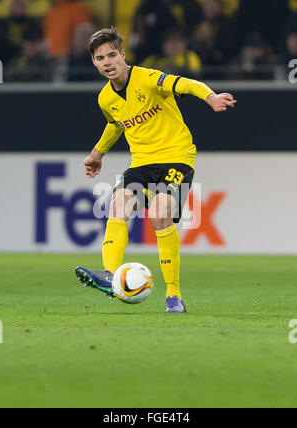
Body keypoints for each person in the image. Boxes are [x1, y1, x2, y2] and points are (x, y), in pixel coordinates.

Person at [75, 27, 236, 313]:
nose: (108, 62)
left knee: (160, 211)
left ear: (123, 54)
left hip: (176, 157)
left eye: (113, 54)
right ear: (94, 62)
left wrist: (210, 97)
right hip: (141, 163)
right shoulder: (105, 99)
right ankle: (111, 277)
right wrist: (97, 154)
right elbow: (116, 124)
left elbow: (186, 84)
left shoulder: (148, 78)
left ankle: (173, 295)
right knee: (118, 203)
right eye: (101, 58)